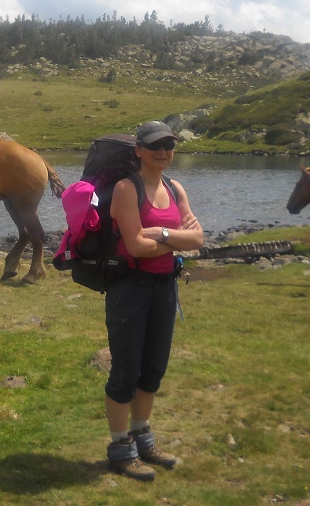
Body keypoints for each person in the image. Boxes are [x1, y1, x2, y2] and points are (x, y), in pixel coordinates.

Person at [104, 120, 204, 481]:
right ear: (139, 151)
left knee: (153, 370)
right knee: (126, 371)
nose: (163, 151)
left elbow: (198, 239)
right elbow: (136, 247)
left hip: (165, 286)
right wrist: (178, 239)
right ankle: (119, 449)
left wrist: (162, 233)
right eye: (155, 145)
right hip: (130, 288)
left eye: (169, 145)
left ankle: (143, 439)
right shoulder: (126, 189)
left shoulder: (175, 188)